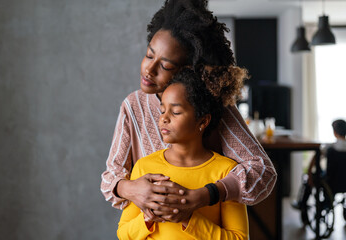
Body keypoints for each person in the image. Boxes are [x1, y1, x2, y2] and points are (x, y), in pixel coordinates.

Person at [101, 0, 276, 222]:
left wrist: (206, 195)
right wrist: (131, 190)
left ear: (188, 69)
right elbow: (110, 178)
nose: (149, 69)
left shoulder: (213, 105)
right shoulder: (133, 106)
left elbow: (263, 172)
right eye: (149, 55)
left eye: (165, 66)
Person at [117, 67, 248, 240]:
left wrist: (188, 218)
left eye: (176, 112)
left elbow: (240, 238)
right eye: (162, 110)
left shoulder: (227, 172)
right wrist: (147, 219)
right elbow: (122, 234)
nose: (164, 118)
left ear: (203, 121)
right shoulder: (145, 166)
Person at [292, 119, 346, 209]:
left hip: (330, 181)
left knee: (311, 177)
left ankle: (302, 203)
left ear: (334, 132)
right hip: (343, 181)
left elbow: (315, 158)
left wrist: (309, 173)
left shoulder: (330, 148)